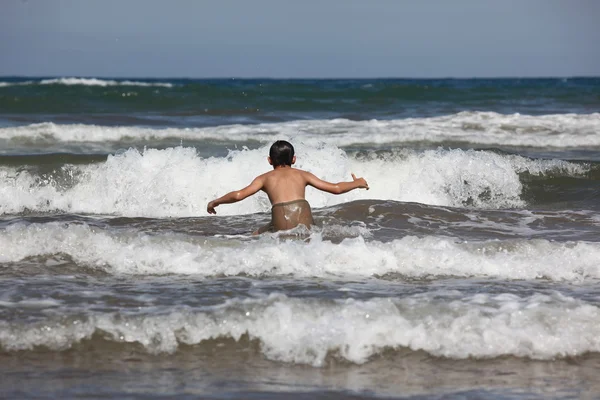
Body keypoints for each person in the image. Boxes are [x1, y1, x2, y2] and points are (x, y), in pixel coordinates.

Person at [207, 140, 369, 234]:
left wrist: (216, 201)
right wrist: (357, 183)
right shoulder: (303, 174)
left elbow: (238, 195)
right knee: (313, 232)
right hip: (303, 214)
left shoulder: (264, 178)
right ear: (294, 159)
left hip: (280, 216)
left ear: (269, 160)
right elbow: (336, 188)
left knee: (256, 234)